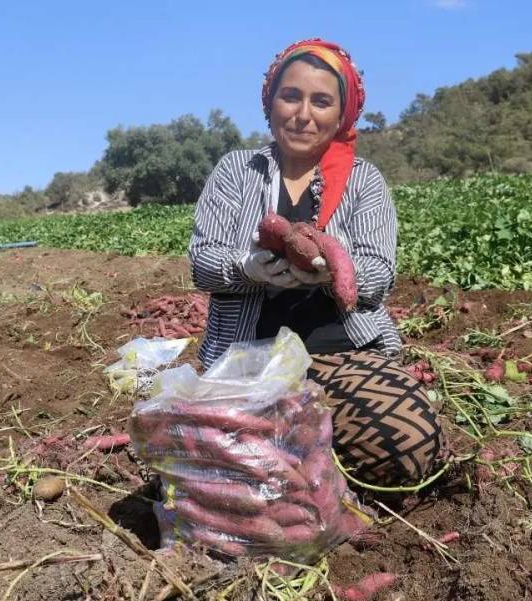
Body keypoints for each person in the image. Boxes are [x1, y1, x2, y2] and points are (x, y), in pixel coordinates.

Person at [188, 39, 443, 488]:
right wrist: (248, 268)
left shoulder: (364, 180)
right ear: (270, 103)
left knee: (408, 441)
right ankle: (301, 460)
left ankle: (299, 450)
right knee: (190, 457)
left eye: (321, 101)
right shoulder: (235, 171)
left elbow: (380, 274)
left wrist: (333, 272)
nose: (304, 113)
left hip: (343, 353)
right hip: (250, 359)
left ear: (341, 114)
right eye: (291, 96)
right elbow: (202, 264)